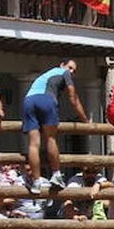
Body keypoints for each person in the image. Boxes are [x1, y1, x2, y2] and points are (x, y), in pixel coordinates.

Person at [23, 58, 90, 193]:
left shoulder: (46, 75)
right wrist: (85, 120)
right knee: (51, 139)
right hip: (46, 100)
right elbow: (73, 98)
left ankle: (36, 181)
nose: (71, 72)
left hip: (28, 100)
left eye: (73, 71)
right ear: (62, 65)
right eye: (70, 68)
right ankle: (56, 174)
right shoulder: (64, 73)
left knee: (33, 144)